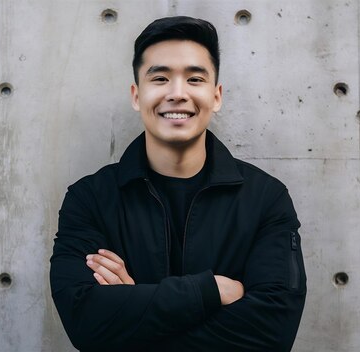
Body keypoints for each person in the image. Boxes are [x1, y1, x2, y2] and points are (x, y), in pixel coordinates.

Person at [50, 16, 306, 352]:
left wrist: (132, 305)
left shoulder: (266, 199)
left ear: (216, 96)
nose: (177, 93)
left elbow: (272, 335)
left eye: (195, 78)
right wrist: (210, 291)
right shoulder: (90, 199)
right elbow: (86, 324)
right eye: (160, 78)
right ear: (136, 95)